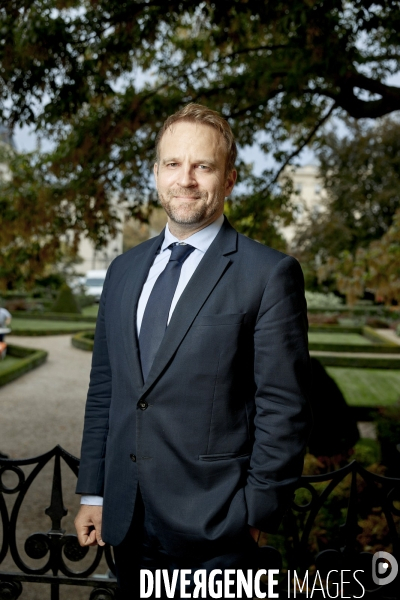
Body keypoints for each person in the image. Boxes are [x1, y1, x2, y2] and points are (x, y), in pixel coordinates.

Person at [74, 103, 311, 599]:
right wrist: (94, 492)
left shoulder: (268, 274)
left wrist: (255, 514)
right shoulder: (122, 271)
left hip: (216, 531)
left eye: (203, 166)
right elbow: (107, 390)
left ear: (228, 180)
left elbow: (283, 408)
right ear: (156, 173)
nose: (186, 179)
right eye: (173, 164)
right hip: (127, 520)